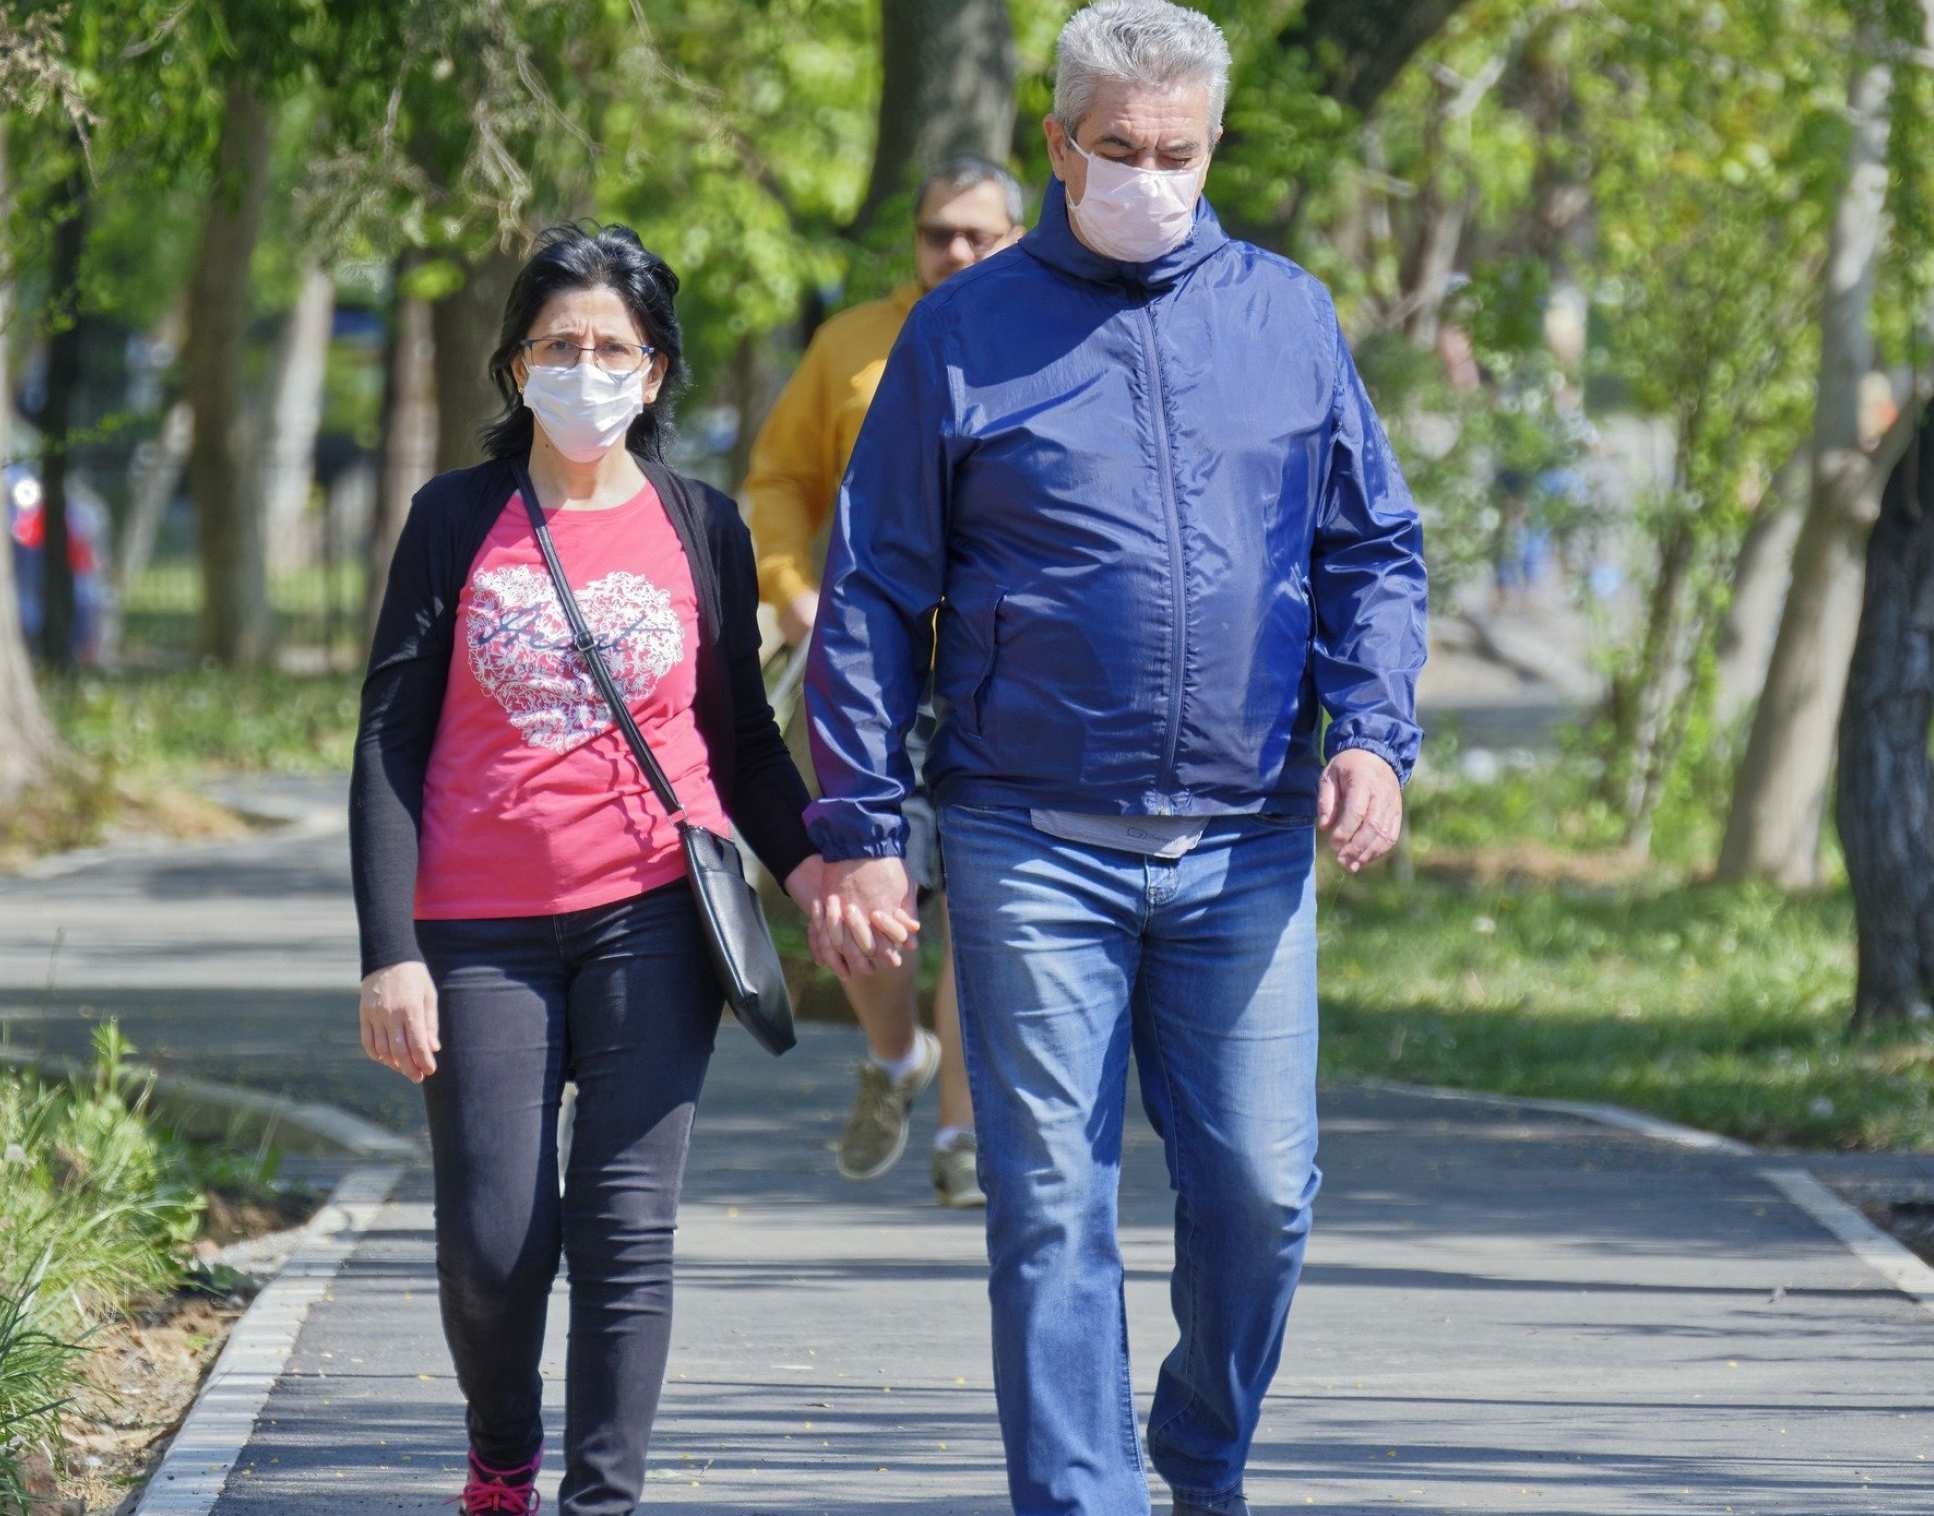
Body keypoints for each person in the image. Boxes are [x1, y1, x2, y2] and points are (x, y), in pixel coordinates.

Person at [802, 4, 1428, 1513]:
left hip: (1248, 839)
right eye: (1120, 150)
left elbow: (1371, 550)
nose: (1151, 177)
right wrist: (860, 822)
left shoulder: (1285, 314)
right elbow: (875, 585)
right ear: (1056, 141)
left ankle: (1197, 1462)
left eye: (1180, 153)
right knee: (1049, 1213)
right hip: (1029, 835)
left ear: (1211, 146)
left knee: (1263, 1198)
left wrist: (1376, 738)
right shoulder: (961, 331)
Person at [347, 223, 907, 1516]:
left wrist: (817, 866)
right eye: (558, 346)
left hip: (656, 917)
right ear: (513, 365)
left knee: (623, 1229)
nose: (584, 369)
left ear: (654, 373)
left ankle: (604, 1499)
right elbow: (387, 740)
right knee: (496, 1243)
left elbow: (743, 744)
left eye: (612, 348)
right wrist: (389, 952)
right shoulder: (454, 521)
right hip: (474, 928)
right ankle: (501, 1459)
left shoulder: (699, 526)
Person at [742, 156, 1025, 1206]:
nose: (955, 251)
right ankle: (897, 1055)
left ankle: (960, 1128)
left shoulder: (1040, 335)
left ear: (1014, 236)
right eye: (937, 233)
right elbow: (776, 479)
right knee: (870, 890)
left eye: (979, 234)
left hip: (999, 671)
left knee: (980, 907)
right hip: (870, 667)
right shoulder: (853, 344)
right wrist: (791, 587)